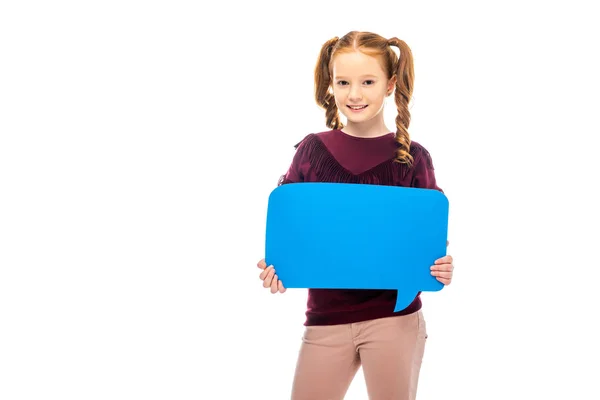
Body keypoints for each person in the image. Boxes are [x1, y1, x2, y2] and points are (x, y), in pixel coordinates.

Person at [256, 31, 455, 400]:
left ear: (390, 84)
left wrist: (441, 265)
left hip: (395, 320)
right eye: (343, 82)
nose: (355, 94)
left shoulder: (414, 159)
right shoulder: (311, 151)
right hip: (325, 319)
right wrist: (278, 266)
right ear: (330, 85)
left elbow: (428, 238)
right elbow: (292, 227)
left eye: (367, 82)